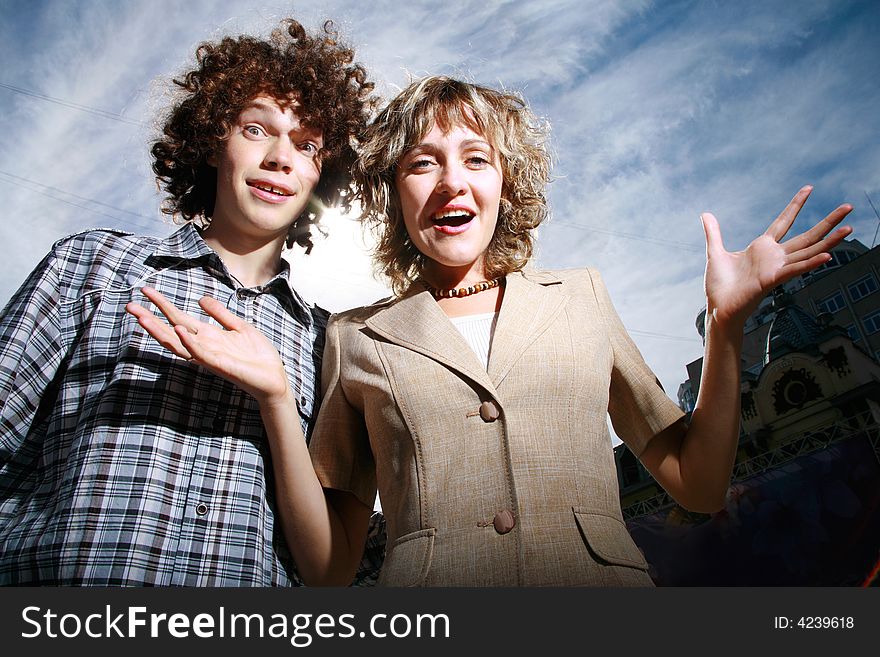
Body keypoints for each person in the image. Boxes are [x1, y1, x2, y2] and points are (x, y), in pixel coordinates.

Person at [129, 76, 853, 586]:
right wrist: (277, 403)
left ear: (506, 182)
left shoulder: (583, 298)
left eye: (476, 159)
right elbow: (329, 570)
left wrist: (726, 331)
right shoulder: (354, 339)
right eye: (422, 163)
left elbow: (697, 484)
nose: (451, 181)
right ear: (393, 194)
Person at [0, 18, 384, 586]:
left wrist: (276, 398)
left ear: (319, 177)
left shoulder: (327, 342)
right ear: (213, 142)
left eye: (306, 146)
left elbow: (328, 568)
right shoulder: (93, 266)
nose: (281, 156)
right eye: (257, 129)